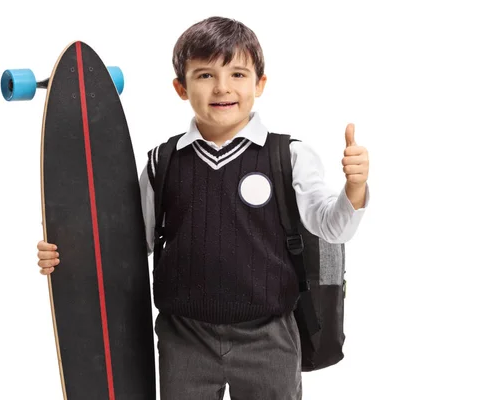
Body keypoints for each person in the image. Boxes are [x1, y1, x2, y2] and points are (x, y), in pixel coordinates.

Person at [37, 16, 370, 400]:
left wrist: (354, 188)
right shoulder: (163, 162)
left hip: (268, 336)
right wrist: (66, 258)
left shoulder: (289, 155)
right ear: (181, 87)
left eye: (239, 74)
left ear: (260, 84)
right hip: (185, 338)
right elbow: (125, 249)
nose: (223, 88)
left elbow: (333, 228)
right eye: (205, 75)